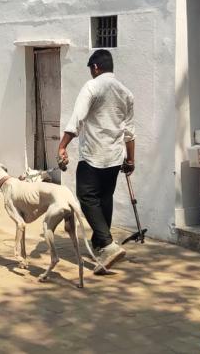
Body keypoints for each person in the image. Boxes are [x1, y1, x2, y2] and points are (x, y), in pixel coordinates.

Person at [58, 49, 135, 273]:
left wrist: (62, 145)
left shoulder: (92, 87)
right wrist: (131, 159)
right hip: (114, 157)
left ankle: (108, 245)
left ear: (95, 67)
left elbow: (77, 119)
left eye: (91, 70)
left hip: (93, 155)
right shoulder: (126, 93)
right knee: (104, 198)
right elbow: (130, 132)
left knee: (86, 196)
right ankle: (102, 246)